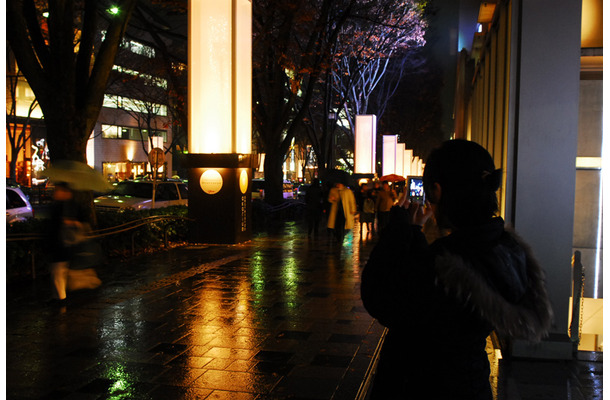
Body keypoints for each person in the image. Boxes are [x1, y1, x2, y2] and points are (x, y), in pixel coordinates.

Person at [360, 140, 553, 399]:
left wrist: (399, 229)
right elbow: (426, 296)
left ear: (437, 191)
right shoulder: (504, 249)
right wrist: (416, 234)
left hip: (425, 385)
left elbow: (381, 298)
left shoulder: (449, 264)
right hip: (469, 382)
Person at [48, 183, 101, 304]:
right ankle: (60, 296)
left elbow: (84, 221)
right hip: (62, 243)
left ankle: (60, 298)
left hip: (65, 243)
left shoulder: (71, 205)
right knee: (60, 271)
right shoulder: (59, 205)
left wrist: (71, 223)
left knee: (59, 271)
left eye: (58, 189)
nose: (55, 192)